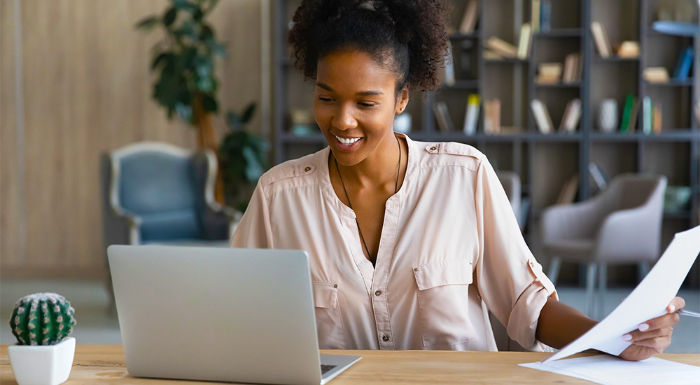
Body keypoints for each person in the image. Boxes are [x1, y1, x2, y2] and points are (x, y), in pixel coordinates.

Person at [231, 0, 684, 360]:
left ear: (402, 97)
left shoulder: (464, 176)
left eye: (366, 103)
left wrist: (612, 335)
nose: (342, 121)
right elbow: (237, 316)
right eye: (326, 97)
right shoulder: (278, 196)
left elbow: (527, 304)